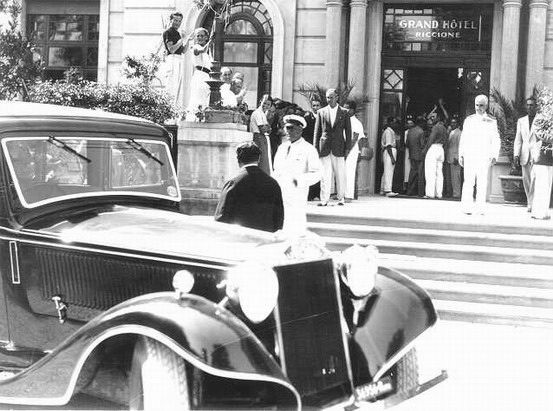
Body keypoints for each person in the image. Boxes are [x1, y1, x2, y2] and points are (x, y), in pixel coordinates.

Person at [214, 141, 284, 232]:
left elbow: (221, 217)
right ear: (258, 159)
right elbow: (279, 218)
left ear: (238, 159)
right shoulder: (273, 183)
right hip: (265, 240)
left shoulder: (233, 183)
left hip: (240, 240)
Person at [273, 114, 321, 234]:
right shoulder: (282, 148)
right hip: (280, 194)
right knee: (280, 228)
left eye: (291, 128)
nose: (287, 131)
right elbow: (276, 170)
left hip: (297, 196)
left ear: (300, 129)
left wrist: (298, 180)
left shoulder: (308, 149)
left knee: (296, 227)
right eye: (286, 128)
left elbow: (317, 173)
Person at [459, 95, 500, 214]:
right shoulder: (469, 120)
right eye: (477, 105)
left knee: (482, 182)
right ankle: (466, 207)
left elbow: (496, 139)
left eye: (481, 105)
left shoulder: (492, 121)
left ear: (486, 106)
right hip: (470, 155)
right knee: (468, 182)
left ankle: (480, 207)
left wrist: (494, 155)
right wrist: (461, 154)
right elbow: (464, 138)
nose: (478, 108)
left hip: (483, 156)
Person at [314, 88, 352, 206]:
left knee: (340, 173)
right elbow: (317, 131)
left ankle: (341, 198)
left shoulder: (344, 112)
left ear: (337, 97)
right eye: (327, 97)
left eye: (331, 97)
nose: (329, 99)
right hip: (324, 147)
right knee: (325, 174)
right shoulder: (321, 112)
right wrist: (315, 148)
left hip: (339, 147)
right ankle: (324, 199)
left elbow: (349, 132)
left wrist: (347, 148)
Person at [514, 97, 538, 211]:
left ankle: (533, 202)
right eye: (528, 105)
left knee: (535, 178)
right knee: (526, 179)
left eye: (532, 105)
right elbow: (518, 139)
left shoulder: (540, 120)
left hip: (537, 154)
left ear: (536, 106)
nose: (530, 107)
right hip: (524, 154)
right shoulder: (521, 121)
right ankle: (530, 202)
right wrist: (516, 155)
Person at [162, 12, 189, 107]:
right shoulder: (168, 32)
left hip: (179, 59)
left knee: (178, 88)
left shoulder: (178, 33)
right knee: (171, 86)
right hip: (172, 60)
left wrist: (188, 40)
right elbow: (172, 49)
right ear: (171, 20)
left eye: (179, 21)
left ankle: (175, 113)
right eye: (175, 20)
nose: (177, 23)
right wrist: (182, 39)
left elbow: (183, 51)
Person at [186, 27, 213, 119]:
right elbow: (201, 50)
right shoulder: (195, 47)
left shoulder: (207, 53)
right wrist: (211, 41)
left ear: (206, 37)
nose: (199, 38)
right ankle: (193, 118)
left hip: (206, 76)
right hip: (200, 76)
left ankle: (201, 118)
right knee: (197, 99)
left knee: (204, 99)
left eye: (202, 36)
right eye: (198, 36)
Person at [422, 113, 448, 199]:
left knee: (430, 172)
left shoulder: (436, 127)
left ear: (438, 118)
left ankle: (430, 193)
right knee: (439, 173)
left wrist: (425, 150)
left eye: (434, 117)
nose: (432, 119)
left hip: (434, 148)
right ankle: (439, 193)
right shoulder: (444, 128)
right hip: (441, 149)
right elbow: (446, 141)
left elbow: (431, 139)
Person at [344, 100, 363, 201]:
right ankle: (342, 194)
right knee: (343, 172)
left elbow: (354, 138)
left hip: (351, 150)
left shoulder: (356, 122)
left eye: (347, 108)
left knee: (349, 172)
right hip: (344, 149)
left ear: (353, 110)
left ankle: (348, 196)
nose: (345, 110)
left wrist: (347, 151)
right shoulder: (344, 119)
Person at [249, 94, 273, 175]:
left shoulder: (263, 114)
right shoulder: (257, 113)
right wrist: (268, 127)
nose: (266, 106)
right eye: (264, 103)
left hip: (263, 138)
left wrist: (268, 128)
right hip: (258, 138)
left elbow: (269, 130)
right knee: (262, 161)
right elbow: (263, 129)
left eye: (268, 104)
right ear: (260, 102)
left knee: (265, 161)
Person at [303, 99, 322, 200]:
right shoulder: (306, 118)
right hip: (309, 146)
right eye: (314, 106)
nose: (315, 108)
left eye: (317, 105)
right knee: (309, 170)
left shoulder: (323, 117)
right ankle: (310, 194)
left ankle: (318, 193)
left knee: (318, 169)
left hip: (320, 147)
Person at [405, 115, 425, 196]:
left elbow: (407, 143)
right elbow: (422, 145)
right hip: (419, 155)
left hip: (411, 154)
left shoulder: (410, 131)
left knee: (412, 173)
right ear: (421, 123)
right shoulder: (421, 132)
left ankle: (409, 191)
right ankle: (420, 192)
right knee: (420, 174)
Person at [380, 117, 399, 197]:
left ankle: (382, 189)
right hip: (390, 151)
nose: (396, 124)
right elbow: (388, 145)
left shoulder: (390, 131)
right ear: (390, 122)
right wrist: (392, 157)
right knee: (389, 171)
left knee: (386, 171)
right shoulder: (388, 132)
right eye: (394, 122)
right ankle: (388, 190)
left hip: (388, 151)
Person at [447, 117, 462, 199]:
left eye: (454, 123)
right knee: (452, 177)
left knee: (456, 177)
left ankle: (457, 194)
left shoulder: (459, 133)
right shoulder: (450, 132)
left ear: (458, 124)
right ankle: (453, 193)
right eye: (452, 122)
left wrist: (457, 157)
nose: (453, 124)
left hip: (455, 158)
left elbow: (460, 146)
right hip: (450, 157)